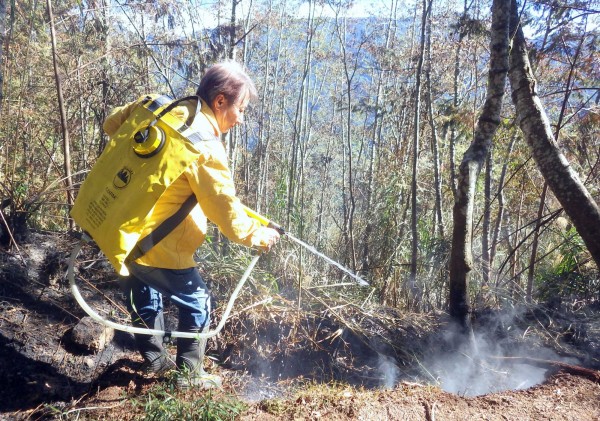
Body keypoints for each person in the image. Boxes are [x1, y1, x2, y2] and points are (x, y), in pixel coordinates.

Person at [102, 60, 280, 389]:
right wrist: (258, 236)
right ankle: (189, 376)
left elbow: (112, 123)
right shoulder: (205, 146)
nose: (240, 119)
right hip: (157, 245)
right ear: (221, 101)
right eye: (240, 109)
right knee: (197, 300)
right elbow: (223, 210)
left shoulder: (157, 106)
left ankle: (155, 360)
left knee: (143, 288)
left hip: (120, 230)